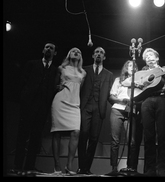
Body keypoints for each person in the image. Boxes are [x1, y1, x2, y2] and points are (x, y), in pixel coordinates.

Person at [122, 48, 165, 177]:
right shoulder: (141, 73)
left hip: (162, 99)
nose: (148, 57)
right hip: (146, 101)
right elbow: (125, 81)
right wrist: (140, 82)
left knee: (162, 135)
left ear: (157, 58)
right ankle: (150, 169)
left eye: (151, 55)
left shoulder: (164, 69)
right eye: (146, 56)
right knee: (148, 135)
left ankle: (161, 168)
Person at [11, 42, 58, 175]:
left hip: (43, 107)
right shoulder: (32, 64)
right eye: (47, 47)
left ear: (55, 53)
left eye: (51, 48)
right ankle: (18, 165)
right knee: (22, 134)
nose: (48, 49)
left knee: (36, 137)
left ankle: (30, 165)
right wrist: (25, 98)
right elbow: (23, 81)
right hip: (29, 104)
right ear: (43, 50)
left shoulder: (54, 70)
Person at [77, 46, 114, 175]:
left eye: (101, 52)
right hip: (85, 106)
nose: (99, 54)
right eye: (96, 52)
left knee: (94, 139)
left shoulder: (109, 75)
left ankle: (87, 168)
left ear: (104, 57)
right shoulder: (84, 70)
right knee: (83, 135)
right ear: (93, 56)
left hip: (99, 109)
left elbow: (110, 94)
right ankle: (81, 166)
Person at [50, 47, 86, 175]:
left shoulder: (83, 72)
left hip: (74, 104)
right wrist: (57, 87)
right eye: (73, 51)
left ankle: (69, 165)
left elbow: (79, 88)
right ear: (68, 54)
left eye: (78, 52)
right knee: (57, 133)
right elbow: (54, 84)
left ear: (80, 57)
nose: (76, 52)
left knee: (76, 132)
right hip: (60, 101)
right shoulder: (61, 68)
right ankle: (57, 166)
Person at [107, 60, 139, 174]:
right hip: (117, 110)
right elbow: (111, 97)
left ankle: (130, 167)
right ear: (126, 67)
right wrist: (122, 99)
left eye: (134, 66)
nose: (132, 67)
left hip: (132, 111)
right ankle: (114, 168)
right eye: (130, 65)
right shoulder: (118, 80)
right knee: (115, 140)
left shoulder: (139, 81)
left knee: (132, 141)